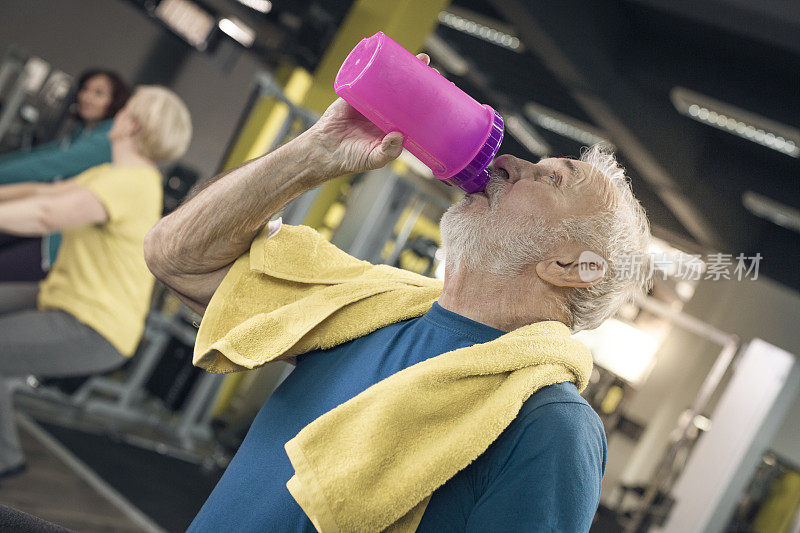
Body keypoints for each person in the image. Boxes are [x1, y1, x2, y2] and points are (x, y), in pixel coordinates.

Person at [146, 56, 652, 532]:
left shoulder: (551, 426)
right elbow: (176, 256)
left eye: (551, 178)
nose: (509, 163)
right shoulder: (368, 306)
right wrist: (315, 152)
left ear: (569, 265)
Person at [0, 86, 192, 479]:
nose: (115, 116)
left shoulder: (132, 183)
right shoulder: (115, 173)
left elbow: (45, 215)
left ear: (132, 124)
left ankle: (5, 458)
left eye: (123, 111)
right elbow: (44, 191)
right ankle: (6, 455)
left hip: (93, 326)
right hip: (63, 297)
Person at [0, 69, 130, 281]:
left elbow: (46, 166)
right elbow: (40, 156)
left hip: (58, 240)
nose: (87, 97)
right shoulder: (83, 133)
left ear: (115, 103)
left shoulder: (106, 139)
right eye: (86, 89)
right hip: (44, 221)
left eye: (98, 93)